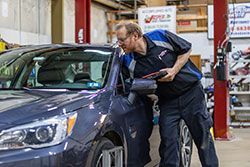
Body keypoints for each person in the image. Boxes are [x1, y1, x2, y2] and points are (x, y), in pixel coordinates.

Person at [115, 21, 219, 167]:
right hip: (167, 101)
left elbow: (186, 49)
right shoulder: (128, 61)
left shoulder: (160, 36)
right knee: (168, 142)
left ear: (135, 36)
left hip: (192, 94)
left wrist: (174, 70)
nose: (119, 43)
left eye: (122, 39)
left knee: (203, 137)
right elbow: (127, 84)